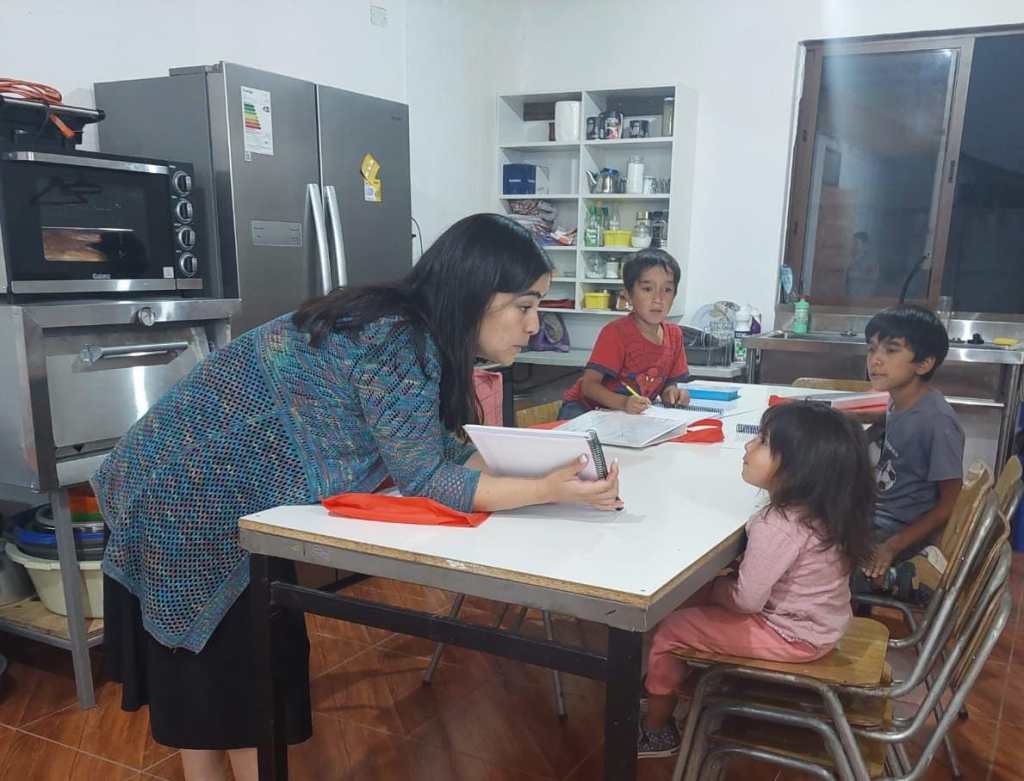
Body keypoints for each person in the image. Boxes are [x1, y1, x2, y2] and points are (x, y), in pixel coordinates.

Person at [92, 213, 622, 781]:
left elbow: (432, 448)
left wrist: (538, 475)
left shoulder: (405, 326)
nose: (535, 325)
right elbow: (427, 478)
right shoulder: (399, 341)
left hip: (176, 489)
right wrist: (542, 489)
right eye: (525, 306)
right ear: (475, 294)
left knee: (207, 695)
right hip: (188, 500)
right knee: (241, 700)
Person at [638, 403, 874, 757]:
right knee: (686, 600)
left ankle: (657, 730)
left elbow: (746, 600)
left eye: (763, 441)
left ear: (798, 466)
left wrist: (717, 587)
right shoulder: (824, 508)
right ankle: (663, 683)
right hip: (819, 623)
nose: (749, 446)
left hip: (792, 634)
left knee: (671, 628)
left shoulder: (779, 524)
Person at [856, 305, 964, 598]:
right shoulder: (896, 400)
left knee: (814, 559)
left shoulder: (938, 422)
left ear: (924, 364)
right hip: (875, 514)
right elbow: (892, 423)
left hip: (901, 532)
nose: (875, 360)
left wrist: (892, 547)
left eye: (891, 351)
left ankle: (898, 580)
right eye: (871, 349)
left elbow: (950, 504)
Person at [559, 249, 690, 420]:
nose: (658, 298)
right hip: (583, 410)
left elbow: (668, 383)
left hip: (626, 417)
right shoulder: (617, 333)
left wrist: (672, 394)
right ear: (628, 295)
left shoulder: (674, 335)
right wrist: (623, 403)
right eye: (647, 289)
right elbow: (589, 386)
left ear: (675, 295)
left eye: (667, 290)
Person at [845, 230, 879, 299]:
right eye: (852, 242)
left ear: (865, 244)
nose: (852, 245)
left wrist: (850, 271)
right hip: (850, 297)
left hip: (863, 297)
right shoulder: (852, 256)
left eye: (856, 243)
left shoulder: (871, 259)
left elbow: (871, 275)